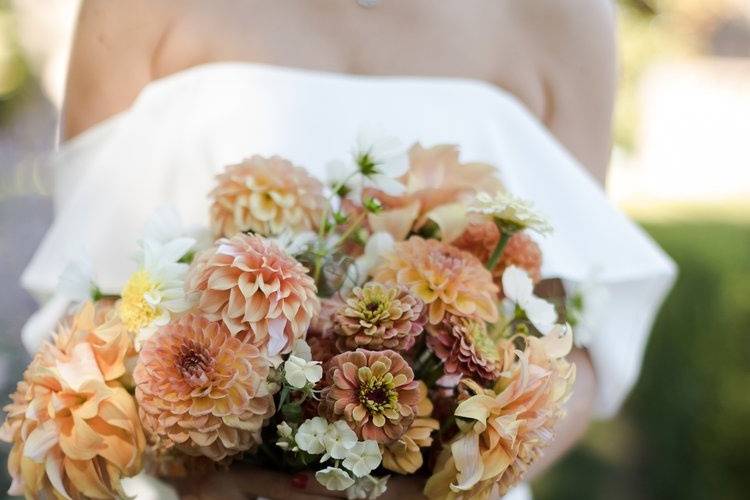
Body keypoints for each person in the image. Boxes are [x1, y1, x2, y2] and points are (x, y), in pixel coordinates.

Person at [21, 1, 676, 498]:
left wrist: (445, 485)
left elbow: (574, 330)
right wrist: (202, 474)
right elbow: (86, 298)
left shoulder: (564, 16)